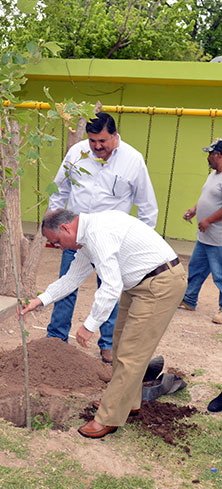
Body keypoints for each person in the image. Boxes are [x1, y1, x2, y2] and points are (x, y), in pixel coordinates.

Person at [20, 208, 186, 438]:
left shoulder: (98, 234)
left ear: (67, 228)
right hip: (138, 284)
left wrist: (89, 326)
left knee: (131, 354)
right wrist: (40, 300)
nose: (59, 247)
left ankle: (109, 418)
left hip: (160, 283)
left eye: (57, 241)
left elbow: (110, 286)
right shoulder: (86, 237)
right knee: (120, 346)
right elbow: (72, 277)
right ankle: (128, 402)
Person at [47, 112, 158, 364]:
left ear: (115, 136)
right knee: (67, 285)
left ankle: (108, 344)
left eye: (103, 142)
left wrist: (136, 243)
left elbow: (147, 207)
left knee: (109, 288)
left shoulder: (133, 160)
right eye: (92, 141)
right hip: (75, 237)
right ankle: (55, 338)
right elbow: (59, 189)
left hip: (112, 242)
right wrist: (54, 224)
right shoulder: (77, 153)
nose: (97, 147)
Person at [179, 138, 222, 327]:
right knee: (196, 268)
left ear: (219, 155)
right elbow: (206, 197)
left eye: (210, 154)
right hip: (205, 236)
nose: (208, 158)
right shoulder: (213, 175)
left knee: (220, 275)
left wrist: (208, 220)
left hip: (218, 238)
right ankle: (189, 300)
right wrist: (194, 210)